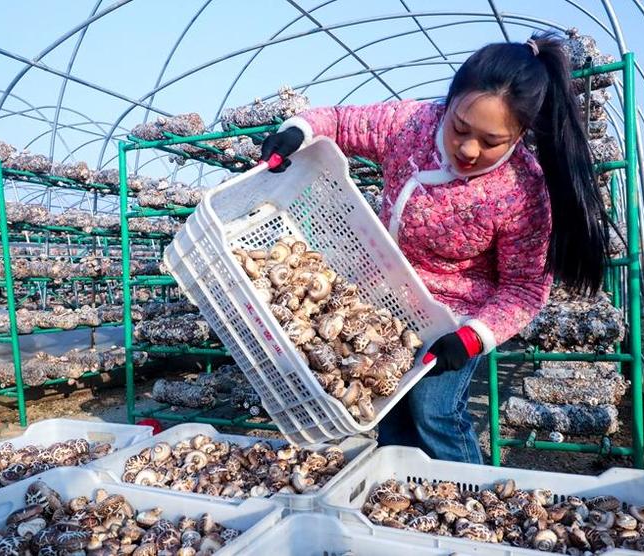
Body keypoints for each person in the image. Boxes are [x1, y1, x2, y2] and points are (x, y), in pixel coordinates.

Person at [260, 32, 609, 464]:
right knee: (389, 411)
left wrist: (471, 337)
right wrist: (299, 131)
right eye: (460, 127)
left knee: (434, 411)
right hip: (385, 303)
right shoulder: (413, 125)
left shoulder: (521, 190)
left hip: (455, 317)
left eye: (491, 140)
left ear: (520, 133)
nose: (468, 148)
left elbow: (523, 289)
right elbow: (340, 121)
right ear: (449, 102)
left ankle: (472, 506)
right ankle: (401, 502)